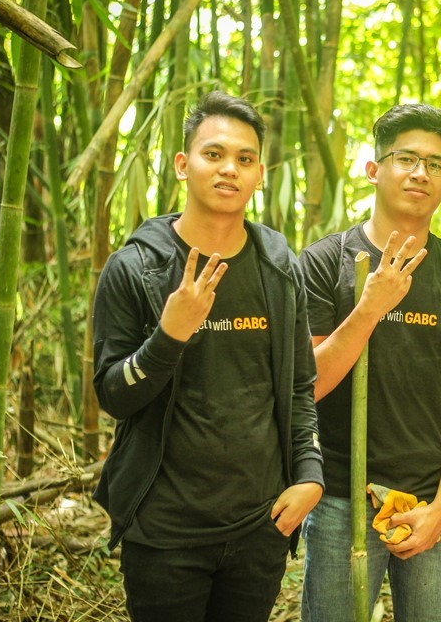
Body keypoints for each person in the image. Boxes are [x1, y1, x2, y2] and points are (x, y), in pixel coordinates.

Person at [91, 91, 324, 622]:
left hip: (259, 527)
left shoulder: (279, 267)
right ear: (183, 164)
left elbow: (297, 388)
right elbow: (113, 396)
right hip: (165, 533)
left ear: (260, 173)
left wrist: (309, 474)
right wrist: (169, 337)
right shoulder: (135, 269)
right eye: (213, 154)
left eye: (244, 159)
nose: (229, 170)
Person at [297, 103, 441, 622]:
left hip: (431, 500)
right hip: (341, 498)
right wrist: (370, 307)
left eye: (436, 164)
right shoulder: (324, 262)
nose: (420, 173)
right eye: (406, 158)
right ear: (374, 170)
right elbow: (307, 384)